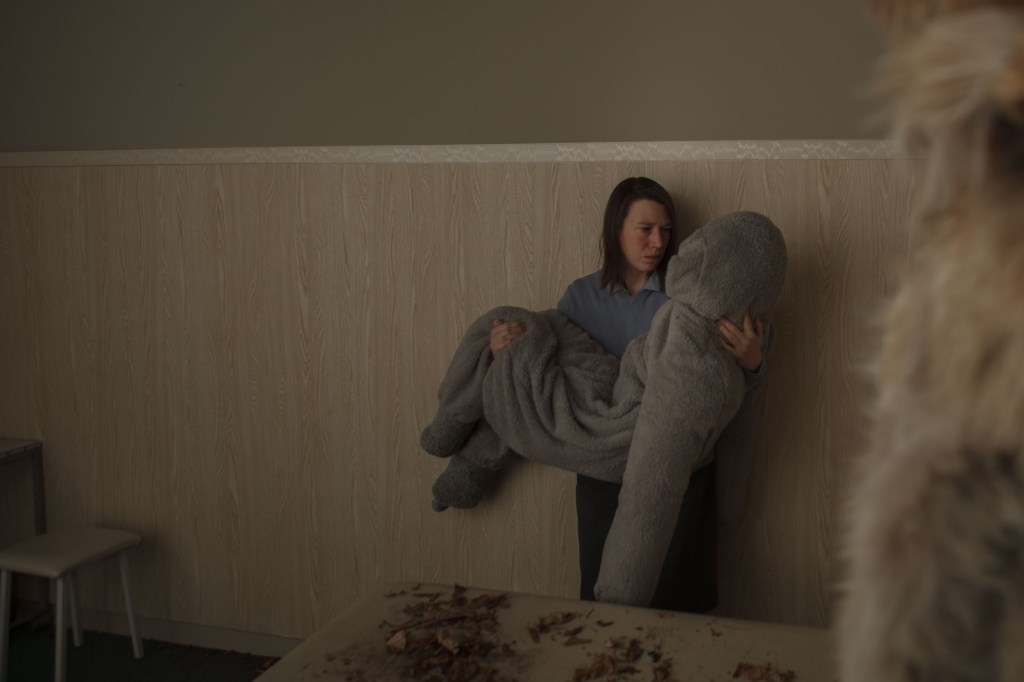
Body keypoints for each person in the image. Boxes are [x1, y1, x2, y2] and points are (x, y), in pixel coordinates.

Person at [489, 176, 764, 612]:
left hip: (680, 471)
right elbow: (549, 373)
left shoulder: (689, 299)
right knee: (607, 608)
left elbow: (716, 388)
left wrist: (753, 365)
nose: (658, 242)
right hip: (603, 474)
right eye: (645, 229)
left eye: (666, 230)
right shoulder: (580, 298)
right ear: (616, 229)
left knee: (680, 607)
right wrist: (507, 349)